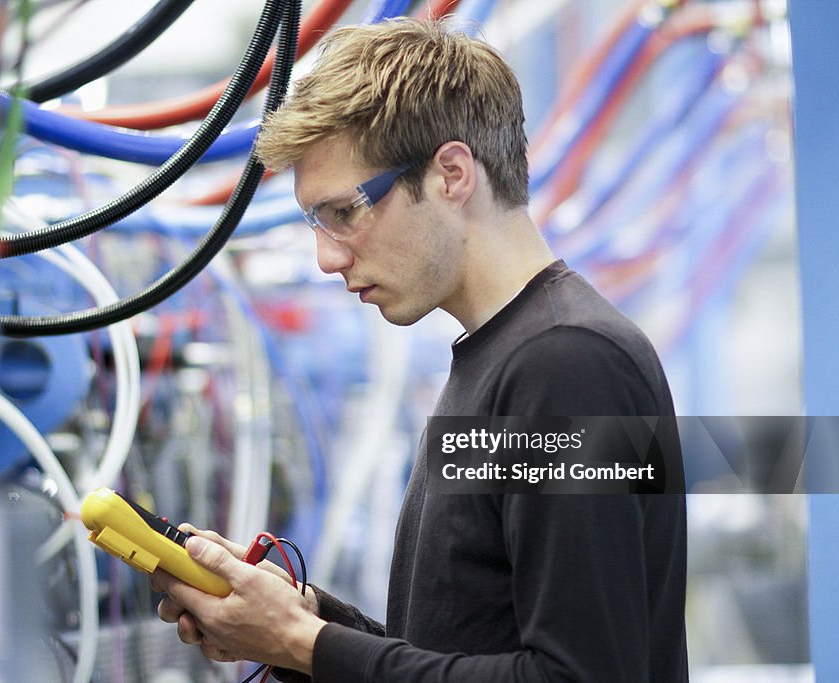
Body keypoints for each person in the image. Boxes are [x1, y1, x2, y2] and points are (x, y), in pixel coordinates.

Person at [150, 17, 688, 682]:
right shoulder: (502, 357)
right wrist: (298, 618)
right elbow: (455, 648)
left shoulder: (569, 365)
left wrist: (304, 642)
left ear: (452, 174)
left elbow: (578, 676)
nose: (325, 256)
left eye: (344, 211)